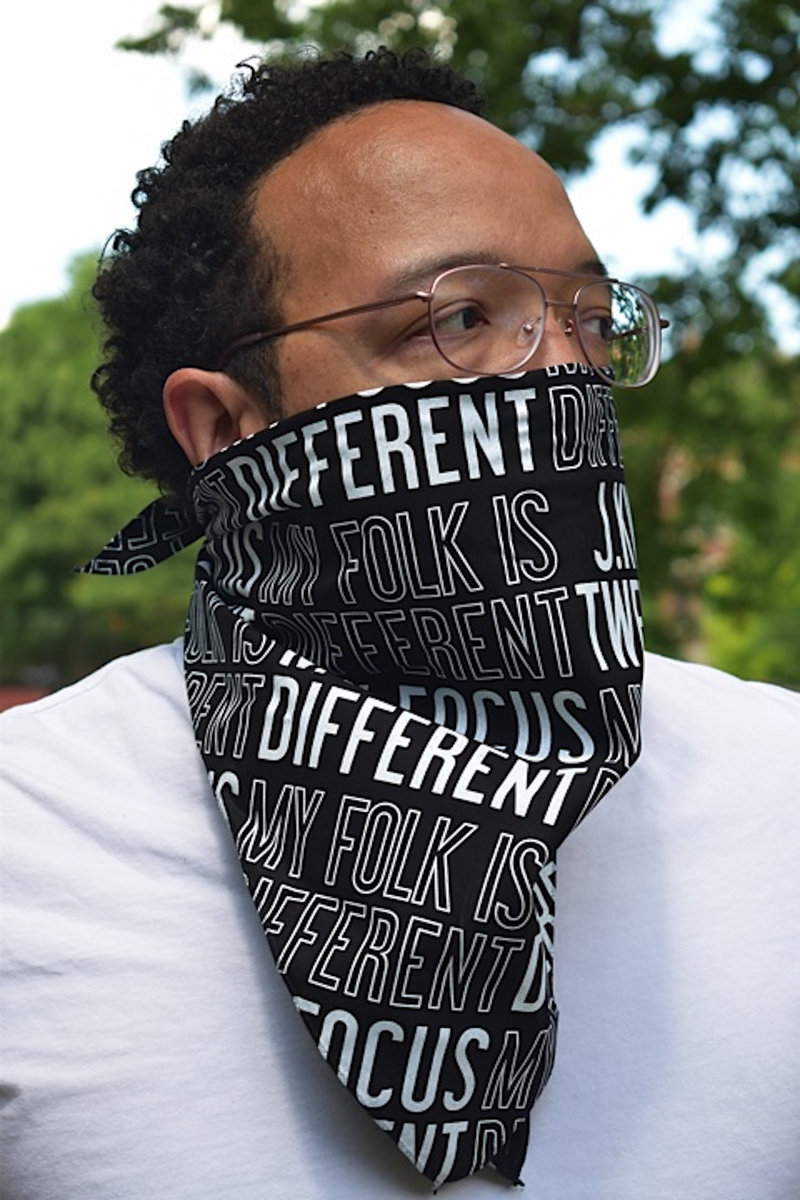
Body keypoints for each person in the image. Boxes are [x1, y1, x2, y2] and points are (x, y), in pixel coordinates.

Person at [1, 48, 798, 1200]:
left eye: (588, 320)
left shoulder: (779, 784)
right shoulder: (29, 848)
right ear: (224, 427)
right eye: (459, 318)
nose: (558, 380)